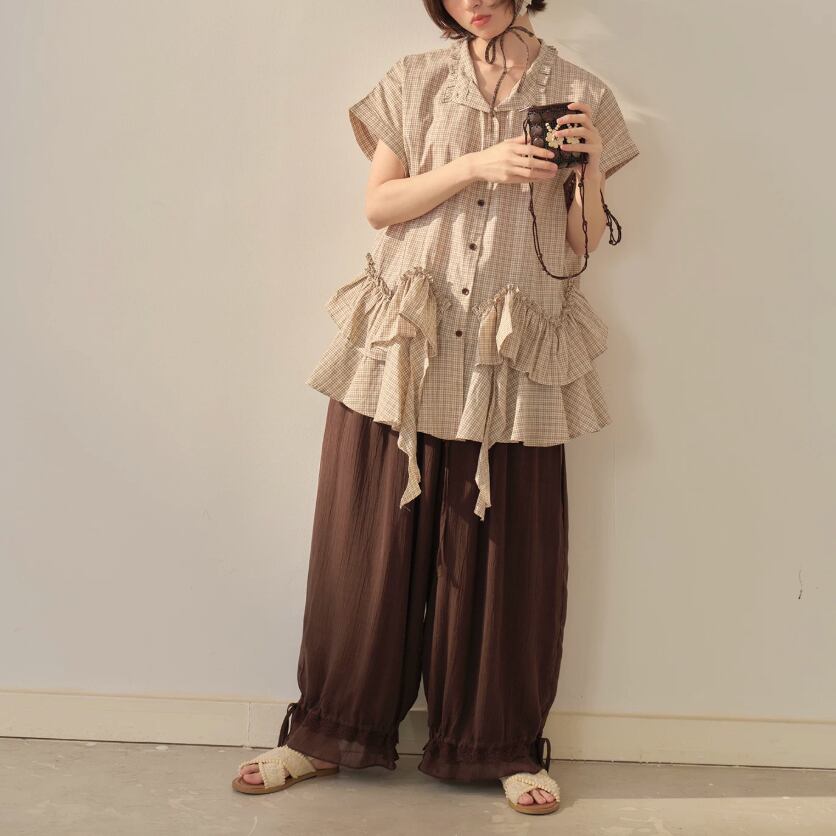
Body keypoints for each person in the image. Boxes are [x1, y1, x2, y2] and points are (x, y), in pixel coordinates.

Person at [231, 0, 639, 817]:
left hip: (511, 351)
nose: (470, 1)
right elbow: (381, 206)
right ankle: (325, 732)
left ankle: (501, 745)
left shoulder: (583, 92)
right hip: (407, 339)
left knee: (506, 560)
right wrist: (477, 164)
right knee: (365, 549)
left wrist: (590, 172)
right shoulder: (414, 81)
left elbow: (583, 241)